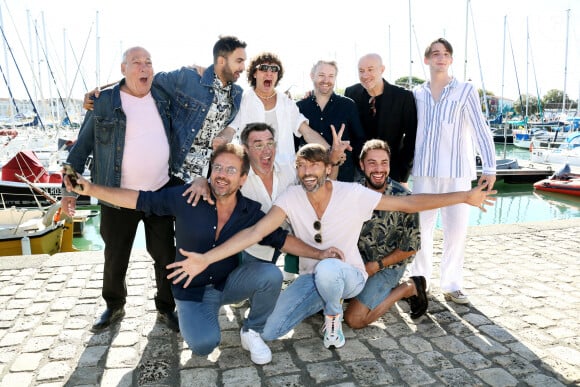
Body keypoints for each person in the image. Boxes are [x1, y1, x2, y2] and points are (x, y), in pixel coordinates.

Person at [171, 143, 496, 349]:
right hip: (314, 279)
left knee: (329, 269)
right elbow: (256, 231)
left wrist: (465, 196)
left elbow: (408, 203)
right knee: (270, 331)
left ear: (328, 169)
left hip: (351, 274)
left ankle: (332, 317)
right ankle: (321, 305)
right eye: (302, 165)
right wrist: (205, 259)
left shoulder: (352, 194)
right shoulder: (291, 197)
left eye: (314, 165)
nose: (307, 171)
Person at [65, 144, 344, 365]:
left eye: (231, 170)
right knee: (203, 345)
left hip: (228, 283)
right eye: (218, 168)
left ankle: (252, 330)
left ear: (243, 178)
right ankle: (201, 316)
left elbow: (282, 239)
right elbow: (138, 198)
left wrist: (319, 254)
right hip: (192, 290)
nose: (222, 174)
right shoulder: (187, 197)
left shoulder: (249, 211)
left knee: (270, 274)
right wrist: (90, 189)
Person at [62, 47, 180, 332]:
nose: (144, 68)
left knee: (166, 256)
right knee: (115, 256)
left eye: (148, 63)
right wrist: (68, 191)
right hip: (116, 196)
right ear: (123, 69)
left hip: (159, 193)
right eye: (136, 63)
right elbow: (81, 146)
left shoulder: (163, 97)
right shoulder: (104, 102)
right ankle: (114, 306)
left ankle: (166, 307)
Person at [84, 35, 247, 183]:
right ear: (221, 61)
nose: (243, 67)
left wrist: (225, 138)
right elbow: (145, 80)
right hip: (176, 175)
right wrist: (101, 90)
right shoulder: (188, 77)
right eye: (239, 61)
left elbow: (230, 128)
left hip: (208, 180)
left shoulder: (237, 94)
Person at [409, 38, 496, 305]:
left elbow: (481, 129)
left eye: (446, 53)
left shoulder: (465, 90)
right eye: (435, 53)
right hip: (423, 172)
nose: (441, 57)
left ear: (451, 59)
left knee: (456, 231)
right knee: (420, 230)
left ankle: (452, 283)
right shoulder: (416, 94)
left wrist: (489, 167)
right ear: (427, 60)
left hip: (458, 173)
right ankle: (418, 282)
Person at [343, 139, 425, 329]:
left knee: (354, 319)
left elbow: (411, 247)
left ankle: (408, 287)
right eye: (372, 163)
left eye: (384, 163)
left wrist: (377, 265)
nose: (378, 169)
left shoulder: (405, 198)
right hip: (357, 265)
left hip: (387, 266)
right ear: (362, 165)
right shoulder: (352, 192)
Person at [216, 52, 329, 165]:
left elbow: (306, 131)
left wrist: (329, 151)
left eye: (274, 69)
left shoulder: (286, 102)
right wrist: (221, 139)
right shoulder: (244, 101)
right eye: (264, 68)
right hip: (253, 173)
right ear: (254, 74)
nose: (269, 73)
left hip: (285, 173)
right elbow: (231, 129)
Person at [344, 53, 417, 184]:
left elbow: (411, 138)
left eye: (370, 69)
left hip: (392, 173)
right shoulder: (351, 93)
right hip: (359, 174)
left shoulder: (403, 97)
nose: (365, 75)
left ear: (382, 69)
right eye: (361, 71)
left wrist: (403, 176)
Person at [296, 60, 365, 182]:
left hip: (344, 177)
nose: (326, 80)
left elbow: (359, 140)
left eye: (331, 76)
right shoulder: (299, 107)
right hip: (310, 178)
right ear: (312, 76)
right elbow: (294, 145)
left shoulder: (348, 105)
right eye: (321, 75)